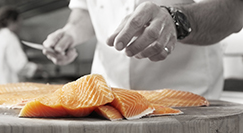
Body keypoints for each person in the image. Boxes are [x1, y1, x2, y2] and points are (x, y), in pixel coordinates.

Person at [42, 0, 243, 99]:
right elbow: (84, 12)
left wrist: (176, 21)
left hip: (186, 104)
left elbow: (232, 12)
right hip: (106, 100)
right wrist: (70, 34)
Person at [0, 6, 39, 86]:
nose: (20, 25)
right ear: (11, 21)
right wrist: (37, 68)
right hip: (8, 91)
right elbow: (20, 66)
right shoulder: (10, 38)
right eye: (19, 22)